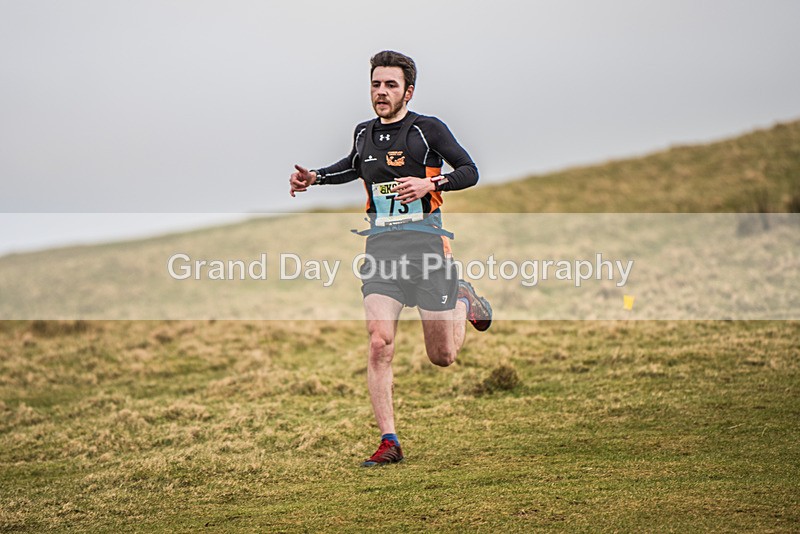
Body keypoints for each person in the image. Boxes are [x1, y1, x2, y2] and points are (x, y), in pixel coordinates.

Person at [289, 50, 492, 467]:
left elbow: (469, 170)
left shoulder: (427, 130)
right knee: (379, 342)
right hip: (381, 252)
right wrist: (315, 177)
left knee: (442, 356)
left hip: (427, 250)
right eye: (376, 84)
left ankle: (462, 299)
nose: (381, 92)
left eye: (390, 85)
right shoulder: (363, 134)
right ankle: (389, 441)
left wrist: (430, 183)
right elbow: (352, 167)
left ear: (408, 91)